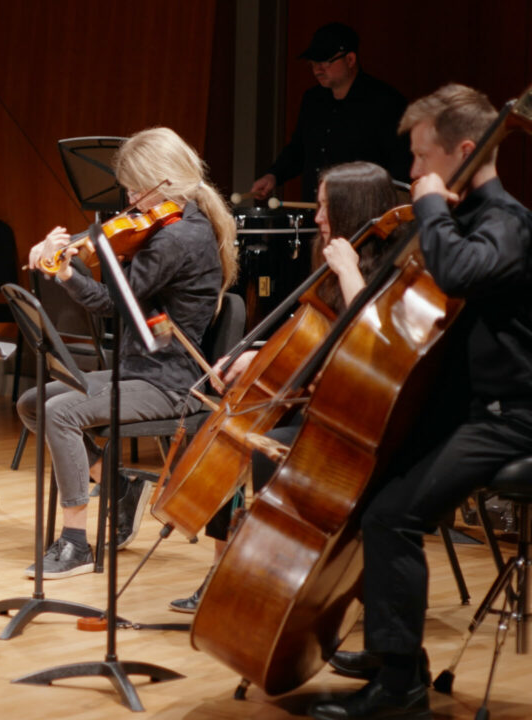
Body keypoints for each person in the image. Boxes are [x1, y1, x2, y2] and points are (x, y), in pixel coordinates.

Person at [309, 84, 532, 720]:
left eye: (421, 158)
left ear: (466, 150)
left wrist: (431, 207)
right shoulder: (463, 219)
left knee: (392, 516)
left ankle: (401, 683)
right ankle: (390, 648)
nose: (412, 174)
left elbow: (459, 273)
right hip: (463, 405)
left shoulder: (508, 224)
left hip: (511, 416)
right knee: (370, 489)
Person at [169, 161, 401, 612]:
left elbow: (372, 341)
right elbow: (312, 330)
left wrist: (350, 272)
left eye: (324, 207)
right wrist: (257, 354)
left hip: (361, 417)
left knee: (265, 445)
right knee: (230, 428)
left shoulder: (392, 269)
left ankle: (282, 579)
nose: (316, 217)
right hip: (322, 398)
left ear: (354, 210)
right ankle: (222, 570)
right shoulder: (333, 254)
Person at [19, 127, 239, 578]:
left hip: (170, 381)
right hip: (139, 368)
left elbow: (109, 304)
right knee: (32, 403)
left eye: (138, 188)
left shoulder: (178, 239)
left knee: (60, 413)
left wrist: (63, 272)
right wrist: (64, 259)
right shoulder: (170, 227)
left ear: (167, 181)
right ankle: (119, 488)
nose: (132, 198)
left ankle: (76, 543)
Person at [250, 22, 410, 203]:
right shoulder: (312, 100)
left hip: (363, 214)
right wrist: (274, 175)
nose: (317, 68)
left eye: (325, 61)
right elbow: (299, 150)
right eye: (313, 62)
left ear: (350, 59)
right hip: (318, 211)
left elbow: (400, 165)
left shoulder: (385, 102)